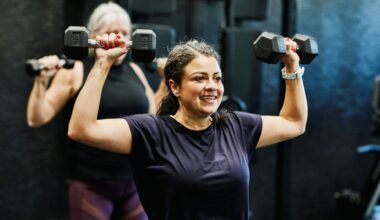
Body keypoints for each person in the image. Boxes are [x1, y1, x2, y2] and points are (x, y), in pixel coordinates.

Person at [68, 34, 307, 219]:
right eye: (199, 78)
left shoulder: (236, 126)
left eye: (217, 77)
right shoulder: (151, 132)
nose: (212, 86)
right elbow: (82, 129)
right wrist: (103, 63)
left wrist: (291, 66)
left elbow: (294, 122)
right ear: (175, 87)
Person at [26, 2, 167, 220]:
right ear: (94, 37)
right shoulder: (76, 71)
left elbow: (153, 113)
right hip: (91, 184)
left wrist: (166, 81)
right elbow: (37, 117)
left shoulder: (135, 70)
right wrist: (41, 82)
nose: (119, 38)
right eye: (111, 33)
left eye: (123, 33)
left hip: (133, 181)